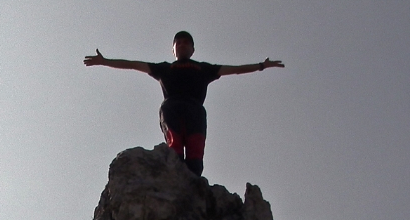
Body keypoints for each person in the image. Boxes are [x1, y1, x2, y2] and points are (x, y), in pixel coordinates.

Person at [84, 30, 284, 176]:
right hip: (172, 106)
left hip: (196, 109)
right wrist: (106, 61)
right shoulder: (164, 68)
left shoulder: (203, 69)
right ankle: (175, 174)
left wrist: (261, 66)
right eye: (178, 42)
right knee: (175, 147)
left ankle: (193, 182)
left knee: (196, 154)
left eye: (186, 42)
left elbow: (236, 69)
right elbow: (133, 64)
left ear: (193, 48)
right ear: (173, 49)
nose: (182, 44)